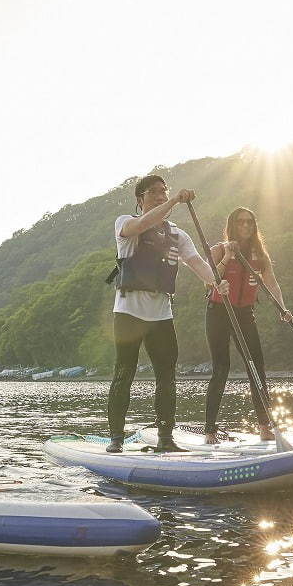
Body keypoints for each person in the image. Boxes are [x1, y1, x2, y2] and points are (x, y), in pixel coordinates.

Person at [106, 175, 228, 453]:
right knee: (124, 372)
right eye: (154, 193)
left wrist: (215, 282)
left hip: (161, 314)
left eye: (165, 192)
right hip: (128, 312)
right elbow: (143, 223)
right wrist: (173, 200)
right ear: (140, 199)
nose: (161, 196)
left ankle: (165, 438)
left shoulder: (177, 235)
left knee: (166, 375)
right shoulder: (125, 223)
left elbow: (196, 262)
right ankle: (115, 439)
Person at [202, 208, 293, 445]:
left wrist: (282, 308)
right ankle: (210, 431)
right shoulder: (218, 249)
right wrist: (228, 257)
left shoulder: (259, 255)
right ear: (232, 225)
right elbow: (208, 280)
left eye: (250, 222)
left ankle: (265, 427)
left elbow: (272, 284)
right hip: (219, 313)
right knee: (221, 368)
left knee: (257, 369)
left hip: (244, 314)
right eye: (241, 222)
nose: (245, 226)